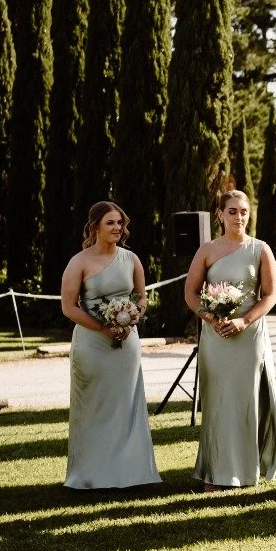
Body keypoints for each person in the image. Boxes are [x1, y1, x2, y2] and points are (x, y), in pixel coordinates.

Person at [60, 201, 161, 490]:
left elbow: (142, 297)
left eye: (120, 223)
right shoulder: (78, 262)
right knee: (94, 407)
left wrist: (131, 318)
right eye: (111, 223)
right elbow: (69, 307)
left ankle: (131, 474)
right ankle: (90, 476)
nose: (118, 228)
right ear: (95, 227)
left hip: (127, 343)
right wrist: (105, 327)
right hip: (92, 345)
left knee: (126, 405)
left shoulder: (131, 259)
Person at [185, 190, 276, 490]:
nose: (239, 217)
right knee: (216, 402)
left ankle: (245, 471)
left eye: (243, 211)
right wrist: (211, 319)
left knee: (245, 400)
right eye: (232, 211)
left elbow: (270, 295)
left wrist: (244, 320)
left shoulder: (261, 249)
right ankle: (215, 472)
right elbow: (191, 293)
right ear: (220, 215)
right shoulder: (207, 250)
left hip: (249, 335)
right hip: (216, 337)